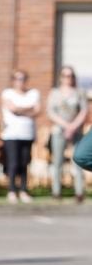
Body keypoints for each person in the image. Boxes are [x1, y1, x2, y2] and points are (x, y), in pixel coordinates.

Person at [47, 66, 86, 202]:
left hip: (76, 130)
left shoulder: (79, 92)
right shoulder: (55, 93)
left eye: (70, 76)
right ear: (61, 77)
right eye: (65, 75)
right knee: (57, 161)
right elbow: (51, 112)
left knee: (78, 160)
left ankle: (79, 192)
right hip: (59, 130)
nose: (68, 78)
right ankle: (56, 191)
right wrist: (66, 125)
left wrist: (73, 126)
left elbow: (83, 111)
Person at [0, 69, 39, 203]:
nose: (20, 82)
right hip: (11, 134)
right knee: (13, 162)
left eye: (22, 79)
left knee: (24, 163)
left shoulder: (33, 93)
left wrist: (20, 110)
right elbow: (12, 108)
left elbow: (37, 110)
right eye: (17, 79)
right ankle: (11, 190)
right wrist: (28, 109)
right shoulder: (7, 93)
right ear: (13, 81)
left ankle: (23, 190)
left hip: (27, 134)